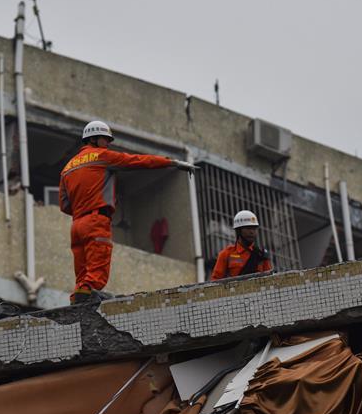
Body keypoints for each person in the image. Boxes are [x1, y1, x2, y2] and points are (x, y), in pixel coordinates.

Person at [59, 120, 197, 304]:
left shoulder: (67, 168)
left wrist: (82, 209)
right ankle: (89, 292)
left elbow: (64, 205)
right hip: (96, 220)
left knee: (82, 271)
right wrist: (171, 162)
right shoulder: (102, 156)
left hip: (77, 225)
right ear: (93, 139)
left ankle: (80, 298)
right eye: (105, 139)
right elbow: (138, 161)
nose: (107, 143)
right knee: (96, 269)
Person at [210, 210, 272, 280]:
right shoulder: (226, 254)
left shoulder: (261, 254)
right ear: (238, 231)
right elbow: (215, 281)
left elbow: (269, 279)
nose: (252, 232)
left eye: (254, 229)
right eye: (248, 228)